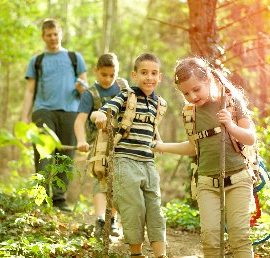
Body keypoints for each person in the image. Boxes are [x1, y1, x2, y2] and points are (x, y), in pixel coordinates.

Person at [151, 57, 256, 258]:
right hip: (207, 182)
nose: (192, 96)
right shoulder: (190, 113)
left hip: (238, 179)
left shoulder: (231, 101)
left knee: (240, 237)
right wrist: (161, 146)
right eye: (186, 93)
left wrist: (230, 127)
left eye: (196, 89)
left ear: (207, 78)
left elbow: (250, 138)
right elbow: (194, 147)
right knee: (210, 238)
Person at [91, 53, 168, 258]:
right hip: (125, 160)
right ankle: (136, 254)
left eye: (153, 73)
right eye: (144, 73)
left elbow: (152, 127)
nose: (149, 78)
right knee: (134, 207)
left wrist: (159, 143)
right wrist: (99, 115)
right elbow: (108, 109)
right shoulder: (127, 95)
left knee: (154, 209)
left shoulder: (159, 103)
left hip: (148, 163)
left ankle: (161, 255)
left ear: (159, 77)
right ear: (134, 75)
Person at [21, 18, 87, 212]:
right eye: (48, 35)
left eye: (55, 34)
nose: (52, 38)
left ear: (61, 34)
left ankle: (59, 199)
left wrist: (80, 87)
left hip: (70, 112)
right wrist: (25, 116)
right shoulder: (37, 61)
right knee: (43, 154)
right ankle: (40, 199)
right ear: (43, 37)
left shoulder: (75, 58)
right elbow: (29, 91)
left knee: (65, 156)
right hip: (43, 111)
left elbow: (85, 89)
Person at [74, 53, 122, 239]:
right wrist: (81, 140)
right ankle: (100, 219)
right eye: (104, 75)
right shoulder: (90, 94)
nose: (108, 79)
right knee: (100, 179)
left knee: (117, 181)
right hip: (97, 144)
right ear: (96, 71)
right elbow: (79, 121)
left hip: (121, 142)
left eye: (112, 75)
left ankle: (112, 220)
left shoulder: (122, 88)